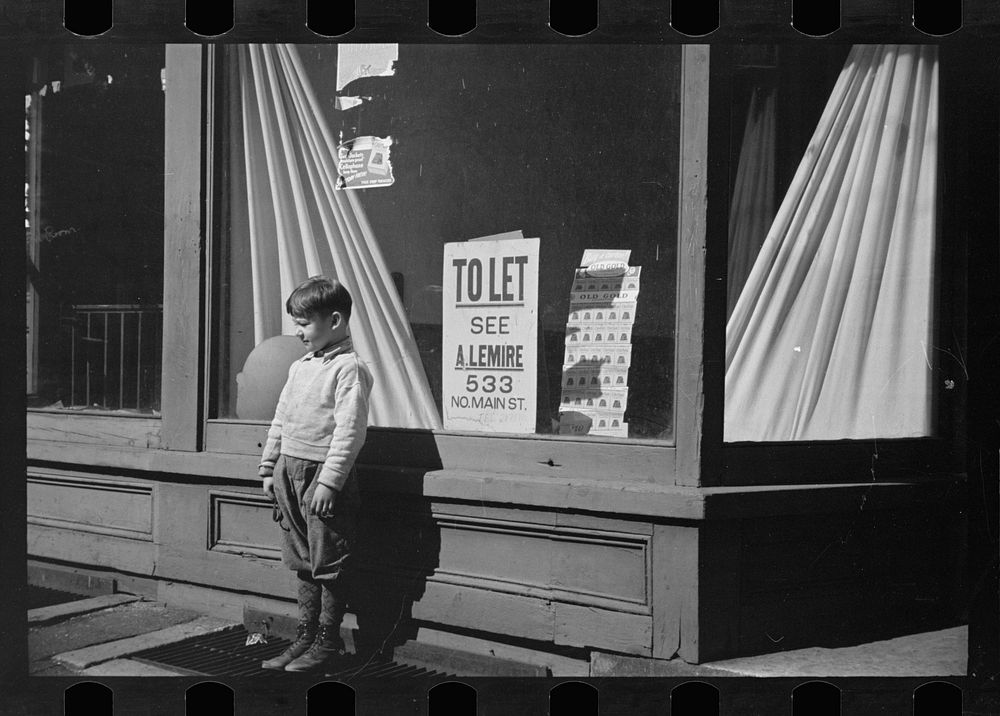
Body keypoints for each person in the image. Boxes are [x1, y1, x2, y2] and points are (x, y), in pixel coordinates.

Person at [257, 276, 374, 673]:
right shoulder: (300, 368)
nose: (298, 331)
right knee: (302, 559)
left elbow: (350, 430)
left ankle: (327, 642)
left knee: (329, 559)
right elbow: (281, 419)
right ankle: (304, 638)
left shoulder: (349, 369)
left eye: (305, 323)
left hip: (322, 479)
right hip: (290, 474)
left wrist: (330, 480)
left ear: (336, 320)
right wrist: (269, 467)